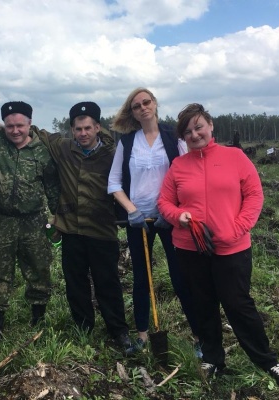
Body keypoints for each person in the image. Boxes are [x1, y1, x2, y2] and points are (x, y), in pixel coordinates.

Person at [157, 103, 279, 388]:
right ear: (182, 137)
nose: (195, 135)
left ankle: (267, 360)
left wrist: (237, 228)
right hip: (190, 248)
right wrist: (178, 216)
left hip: (232, 247)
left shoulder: (235, 158)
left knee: (238, 304)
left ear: (210, 125)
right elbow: (165, 202)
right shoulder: (178, 166)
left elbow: (254, 196)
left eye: (199, 127)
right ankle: (212, 358)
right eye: (188, 132)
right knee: (202, 303)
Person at [36, 102, 134, 354]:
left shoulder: (113, 155)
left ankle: (118, 330)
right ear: (72, 130)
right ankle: (83, 326)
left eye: (88, 128)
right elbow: (40, 133)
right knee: (75, 282)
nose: (83, 133)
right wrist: (4, 127)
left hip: (102, 230)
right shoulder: (64, 148)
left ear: (97, 128)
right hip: (71, 231)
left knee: (108, 282)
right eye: (78, 129)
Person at [108, 87, 198, 352]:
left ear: (155, 104)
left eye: (146, 102)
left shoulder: (174, 137)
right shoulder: (126, 142)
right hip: (139, 221)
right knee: (141, 279)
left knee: (181, 277)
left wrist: (171, 211)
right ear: (132, 113)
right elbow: (114, 182)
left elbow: (187, 175)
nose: (143, 107)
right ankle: (143, 335)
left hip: (170, 220)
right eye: (137, 106)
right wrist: (131, 210)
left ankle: (199, 336)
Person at [0, 101, 60, 346]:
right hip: (2, 221)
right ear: (3, 125)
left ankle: (38, 321)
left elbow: (52, 188)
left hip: (35, 220)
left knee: (39, 269)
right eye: (9, 126)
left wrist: (58, 219)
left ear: (30, 124)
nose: (15, 131)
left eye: (20, 125)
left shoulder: (42, 151)